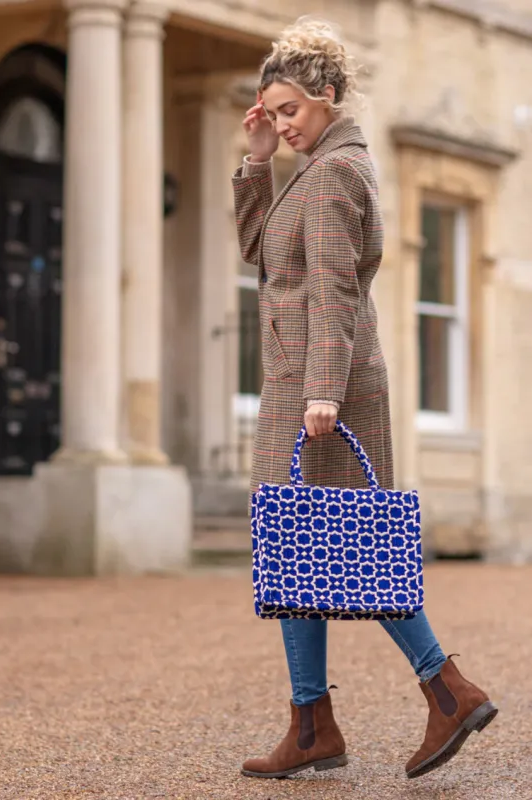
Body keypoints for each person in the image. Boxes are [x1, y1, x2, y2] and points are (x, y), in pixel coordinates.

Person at [231, 16, 497, 781]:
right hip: (300, 383)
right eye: (270, 113)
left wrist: (321, 391)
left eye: (290, 111)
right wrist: (254, 164)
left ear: (329, 96)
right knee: (299, 551)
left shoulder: (336, 172)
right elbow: (259, 254)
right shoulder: (310, 171)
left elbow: (334, 291)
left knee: (351, 547)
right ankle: (313, 724)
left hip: (323, 388)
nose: (280, 125)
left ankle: (445, 689)